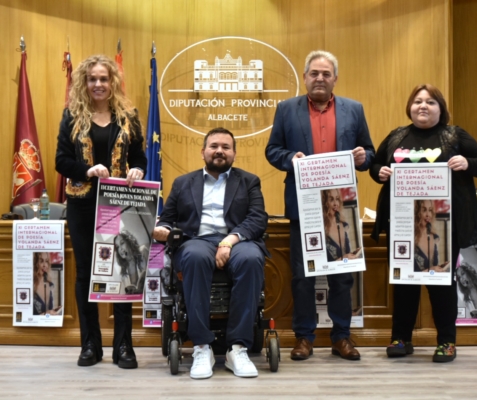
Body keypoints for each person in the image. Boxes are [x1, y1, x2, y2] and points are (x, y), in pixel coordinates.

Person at [265, 50, 375, 361]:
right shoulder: (287, 109)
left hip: (341, 206)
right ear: (305, 77)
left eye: (326, 74)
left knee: (342, 276)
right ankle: (304, 338)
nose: (320, 78)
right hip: (305, 206)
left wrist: (363, 157)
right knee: (303, 277)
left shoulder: (354, 109)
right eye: (314, 73)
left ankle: (342, 337)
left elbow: (369, 151)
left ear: (335, 79)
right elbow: (272, 150)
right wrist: (291, 159)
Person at [369, 83, 477, 362]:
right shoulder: (397, 136)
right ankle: (401, 338)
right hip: (402, 224)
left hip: (444, 226)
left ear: (441, 109)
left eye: (431, 102)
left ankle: (446, 341)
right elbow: (374, 167)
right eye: (417, 101)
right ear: (410, 107)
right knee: (403, 283)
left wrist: (466, 162)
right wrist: (381, 171)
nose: (423, 106)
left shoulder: (454, 135)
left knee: (442, 284)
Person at [153, 127, 268, 379]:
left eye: (226, 147)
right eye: (214, 146)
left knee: (251, 258)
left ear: (234, 154)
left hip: (237, 241)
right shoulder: (183, 183)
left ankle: (237, 348)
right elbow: (168, 219)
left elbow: (257, 219)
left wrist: (229, 241)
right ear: (203, 151)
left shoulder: (249, 181)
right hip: (197, 240)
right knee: (193, 256)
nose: (219, 151)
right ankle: (201, 346)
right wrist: (161, 229)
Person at [55, 54, 147, 369]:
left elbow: (140, 157)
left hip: (120, 202)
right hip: (82, 205)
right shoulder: (71, 115)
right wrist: (87, 169)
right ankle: (90, 346)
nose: (98, 84)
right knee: (85, 275)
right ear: (85, 82)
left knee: (123, 272)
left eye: (103, 79)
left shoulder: (129, 116)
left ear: (113, 82)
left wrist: (136, 169)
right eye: (92, 79)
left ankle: (124, 347)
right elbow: (61, 161)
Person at [321, 189, 361, 262]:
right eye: (331, 199)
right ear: (324, 203)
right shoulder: (320, 229)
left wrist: (353, 254)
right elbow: (321, 265)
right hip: (332, 273)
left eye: (337, 199)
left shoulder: (345, 225)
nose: (335, 203)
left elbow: (345, 257)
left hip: (347, 272)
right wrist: (344, 258)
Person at [413, 200, 449, 273]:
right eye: (424, 210)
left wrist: (440, 267)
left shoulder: (435, 238)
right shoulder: (410, 238)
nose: (428, 215)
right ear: (416, 213)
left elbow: (433, 267)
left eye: (430, 210)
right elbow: (407, 274)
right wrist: (431, 270)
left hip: (431, 282)